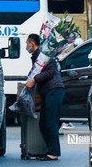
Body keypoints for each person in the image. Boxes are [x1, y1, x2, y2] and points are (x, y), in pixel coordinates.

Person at [25, 33, 65, 161]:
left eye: (27, 43)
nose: (26, 46)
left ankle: (54, 152)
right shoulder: (37, 56)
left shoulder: (45, 55)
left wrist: (34, 79)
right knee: (44, 123)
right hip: (48, 92)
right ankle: (50, 149)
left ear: (32, 43)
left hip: (54, 90)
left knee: (50, 121)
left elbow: (51, 71)